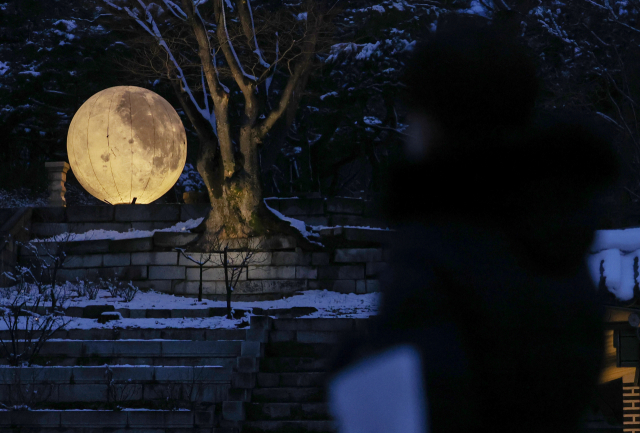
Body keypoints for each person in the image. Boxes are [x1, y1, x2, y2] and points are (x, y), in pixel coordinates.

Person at [326, 17, 621, 433]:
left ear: (437, 121)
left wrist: (354, 362)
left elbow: (419, 401)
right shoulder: (558, 239)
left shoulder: (442, 248)